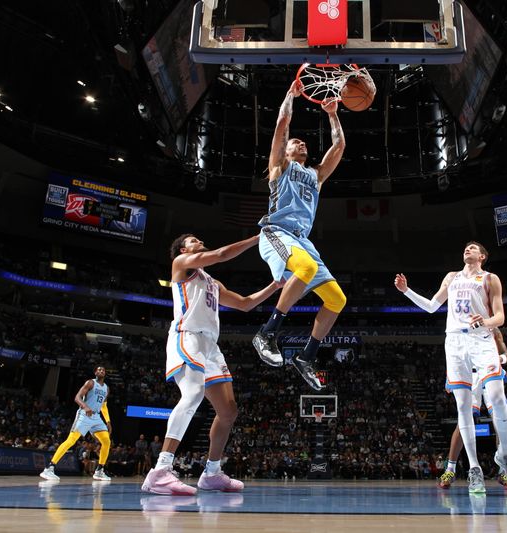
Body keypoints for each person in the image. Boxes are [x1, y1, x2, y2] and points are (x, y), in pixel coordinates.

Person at [142, 233, 281, 495]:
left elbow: (244, 304)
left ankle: (212, 472)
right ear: (184, 248)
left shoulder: (211, 281)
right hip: (188, 336)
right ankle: (159, 471)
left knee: (229, 411)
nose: (200, 241)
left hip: (210, 346)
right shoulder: (182, 264)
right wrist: (258, 238)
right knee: (193, 393)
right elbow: (221, 255)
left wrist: (275, 285)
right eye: (194, 240)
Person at [395, 241, 507, 493]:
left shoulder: (490, 278)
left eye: (473, 248)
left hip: (481, 338)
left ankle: (504, 453)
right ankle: (474, 469)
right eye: (466, 247)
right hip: (454, 342)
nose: (468, 249)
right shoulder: (451, 277)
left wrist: (485, 321)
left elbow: (500, 317)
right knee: (463, 408)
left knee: (496, 396)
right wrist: (407, 291)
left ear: (482, 256)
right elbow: (431, 306)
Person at [252, 79, 347, 391]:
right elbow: (282, 124)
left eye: (304, 143)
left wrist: (333, 114)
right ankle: (267, 332)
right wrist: (289, 95)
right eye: (296, 142)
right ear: (287, 150)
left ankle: (306, 356)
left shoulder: (315, 175)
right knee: (304, 268)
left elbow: (339, 147)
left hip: (302, 241)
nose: (301, 143)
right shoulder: (279, 167)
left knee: (337, 299)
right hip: (276, 232)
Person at [438, 327, 507, 488]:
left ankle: (503, 471)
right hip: (469, 375)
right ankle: (450, 469)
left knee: (498, 419)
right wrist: (450, 376)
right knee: (464, 421)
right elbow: (453, 355)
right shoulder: (459, 327)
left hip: (488, 372)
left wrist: (498, 360)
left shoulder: (493, 329)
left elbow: (505, 355)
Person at [40, 366, 112, 481]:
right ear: (95, 373)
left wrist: (108, 421)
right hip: (84, 414)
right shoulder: (90, 383)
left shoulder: (106, 389)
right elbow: (77, 397)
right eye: (98, 370)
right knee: (71, 440)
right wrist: (85, 406)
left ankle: (99, 470)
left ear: (105, 373)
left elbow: (104, 406)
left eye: (103, 370)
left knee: (106, 441)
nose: (101, 371)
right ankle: (49, 468)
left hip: (96, 417)